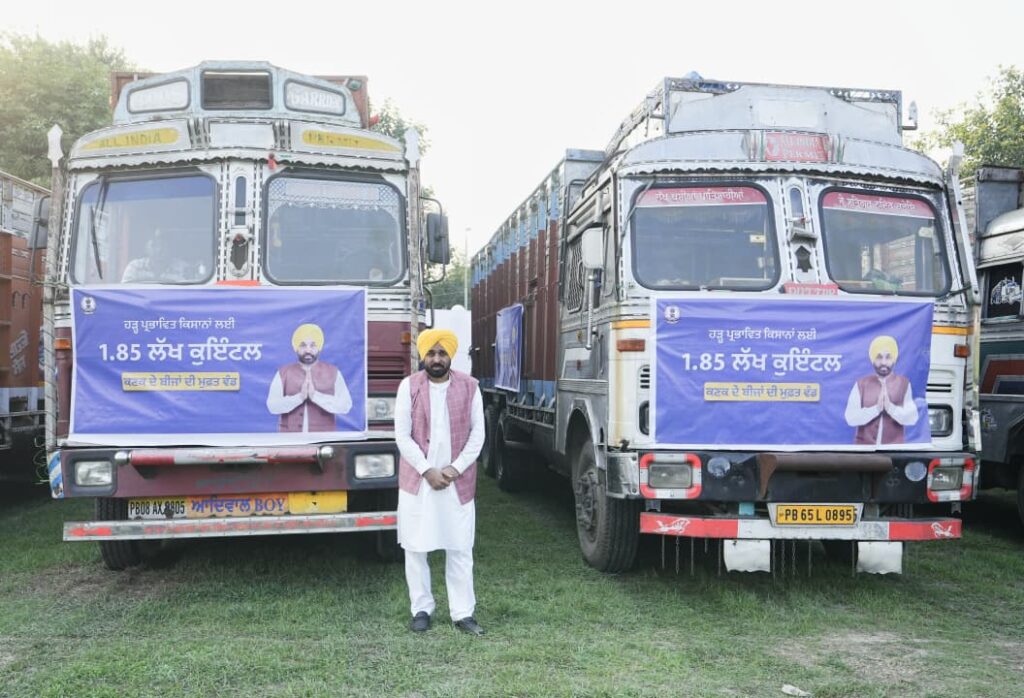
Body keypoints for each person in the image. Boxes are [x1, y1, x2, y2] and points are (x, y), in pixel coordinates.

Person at [395, 328, 485, 635]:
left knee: (459, 547)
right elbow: (402, 436)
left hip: (456, 483)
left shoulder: (470, 387)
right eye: (431, 353)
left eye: (442, 353)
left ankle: (463, 613)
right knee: (415, 547)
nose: (436, 359)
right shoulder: (409, 387)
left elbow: (477, 435)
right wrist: (427, 470)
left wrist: (453, 469)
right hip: (418, 482)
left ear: (451, 355)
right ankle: (421, 609)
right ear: (423, 356)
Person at [266, 323, 352, 432]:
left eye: (313, 345)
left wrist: (315, 396)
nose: (308, 350)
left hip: (324, 439)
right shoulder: (283, 373)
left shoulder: (334, 372)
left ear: (319, 347)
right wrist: (299, 398)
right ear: (296, 347)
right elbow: (272, 406)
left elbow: (345, 406)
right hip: (289, 439)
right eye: (303, 345)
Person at [844, 335, 920, 445]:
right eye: (879, 357)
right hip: (864, 452)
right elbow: (850, 418)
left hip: (893, 451)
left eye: (888, 357)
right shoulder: (861, 384)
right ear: (872, 359)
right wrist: (875, 409)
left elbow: (912, 418)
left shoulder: (904, 384)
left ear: (894, 359)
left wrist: (890, 408)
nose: (883, 362)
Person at [121, 229, 200, 283]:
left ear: (170, 249)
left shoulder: (183, 268)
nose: (159, 250)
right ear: (146, 249)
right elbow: (126, 293)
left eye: (163, 245)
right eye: (154, 246)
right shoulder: (135, 267)